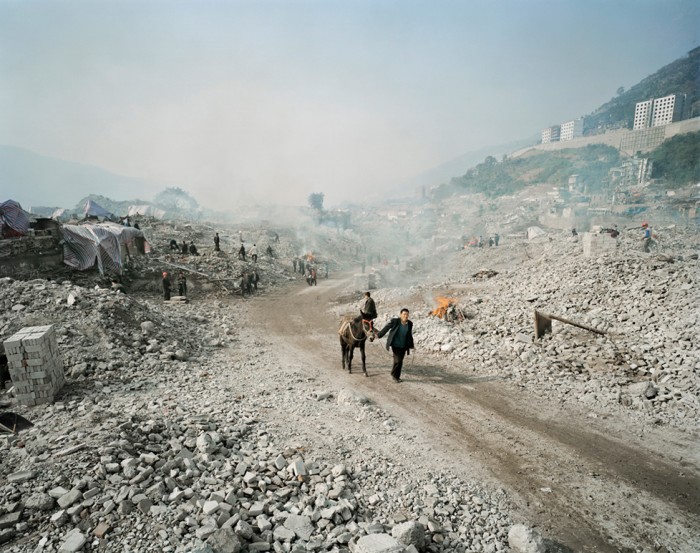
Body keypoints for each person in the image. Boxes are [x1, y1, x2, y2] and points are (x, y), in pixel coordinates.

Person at [376, 308, 415, 383]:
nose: (406, 316)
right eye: (404, 314)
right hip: (395, 344)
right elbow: (386, 328)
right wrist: (379, 335)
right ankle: (394, 375)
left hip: (404, 345)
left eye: (407, 314)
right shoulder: (395, 321)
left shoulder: (410, 324)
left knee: (400, 361)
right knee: (398, 360)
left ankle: (397, 376)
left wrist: (412, 345)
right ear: (400, 315)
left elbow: (409, 335)